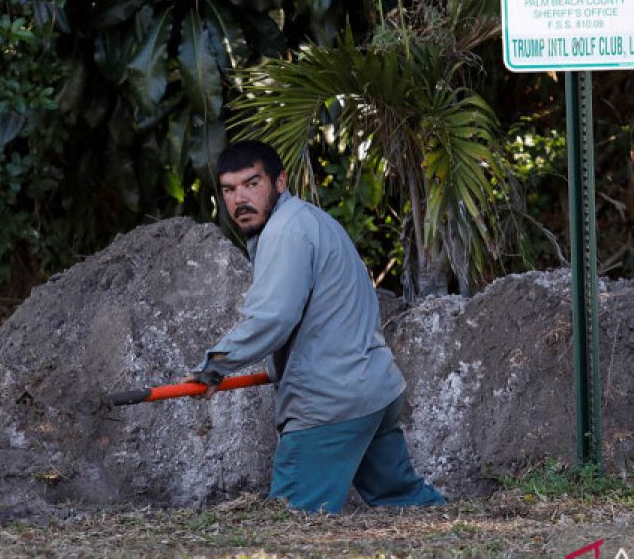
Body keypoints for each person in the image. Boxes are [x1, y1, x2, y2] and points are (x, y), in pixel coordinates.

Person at [184, 140, 445, 514]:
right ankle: (468, 554)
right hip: (373, 392)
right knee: (406, 502)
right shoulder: (308, 221)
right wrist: (276, 368)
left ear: (280, 182)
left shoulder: (286, 232)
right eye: (229, 189)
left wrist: (215, 366)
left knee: (291, 521)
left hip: (330, 406)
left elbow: (272, 318)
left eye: (251, 183)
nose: (240, 198)